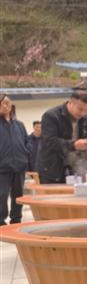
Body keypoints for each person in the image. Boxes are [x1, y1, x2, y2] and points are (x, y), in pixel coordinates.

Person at [37, 89, 87, 183]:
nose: (83, 113)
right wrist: (74, 145)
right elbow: (50, 141)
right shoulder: (51, 116)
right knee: (55, 193)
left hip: (79, 167)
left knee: (82, 192)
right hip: (52, 169)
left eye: (86, 110)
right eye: (80, 109)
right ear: (70, 103)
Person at [0, 95, 30, 225]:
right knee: (2, 195)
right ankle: (1, 220)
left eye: (8, 102)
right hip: (2, 167)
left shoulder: (19, 125)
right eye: (3, 103)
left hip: (19, 165)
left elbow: (27, 142)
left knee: (18, 194)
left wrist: (25, 154)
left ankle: (16, 219)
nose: (6, 105)